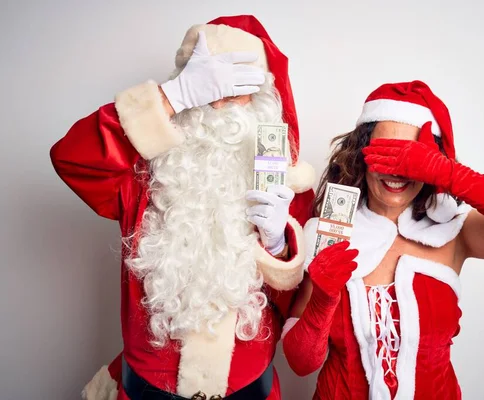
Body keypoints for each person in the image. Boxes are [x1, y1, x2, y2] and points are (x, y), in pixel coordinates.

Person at [50, 15, 316, 400]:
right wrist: (170, 97)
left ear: (261, 99)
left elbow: (296, 315)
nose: (220, 103)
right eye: (208, 88)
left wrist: (278, 246)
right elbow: (69, 159)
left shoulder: (287, 187)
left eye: (237, 88)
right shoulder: (138, 173)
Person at [281, 80, 484, 399]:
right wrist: (322, 301)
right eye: (386, 152)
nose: (398, 171)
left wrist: (450, 175)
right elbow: (300, 364)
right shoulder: (330, 230)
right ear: (361, 153)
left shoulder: (454, 231)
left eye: (411, 157)